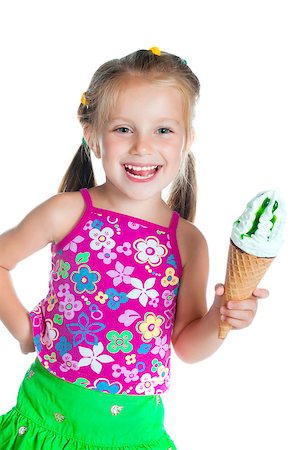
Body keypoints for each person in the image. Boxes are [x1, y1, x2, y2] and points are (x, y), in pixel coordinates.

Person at [0, 47, 268, 449]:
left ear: (187, 139)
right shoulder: (68, 212)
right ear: (93, 135)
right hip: (46, 422)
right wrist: (24, 330)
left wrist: (222, 316)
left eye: (164, 130)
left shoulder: (188, 242)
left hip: (135, 434)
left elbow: (187, 346)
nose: (143, 147)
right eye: (124, 129)